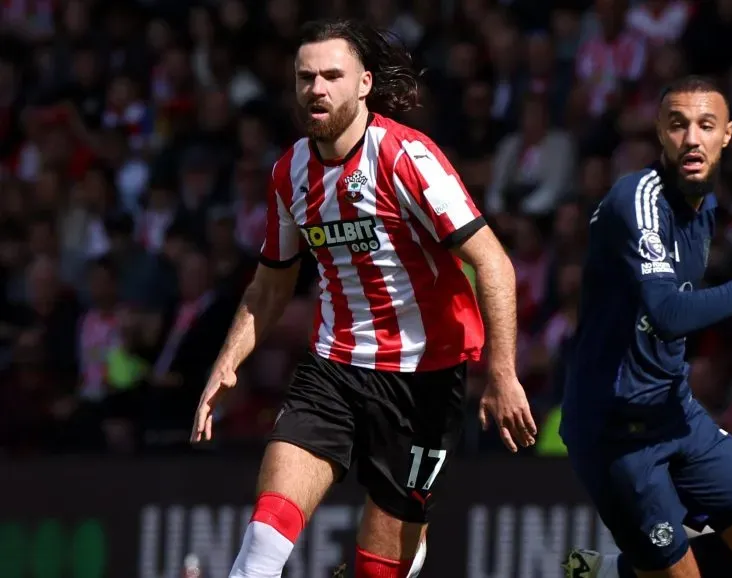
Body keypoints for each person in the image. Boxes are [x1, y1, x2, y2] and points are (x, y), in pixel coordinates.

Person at [189, 19, 537, 578]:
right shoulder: (289, 171)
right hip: (333, 370)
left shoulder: (408, 158)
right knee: (259, 548)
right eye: (306, 77)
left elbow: (493, 262)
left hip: (424, 382)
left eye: (332, 75)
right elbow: (271, 283)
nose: (317, 89)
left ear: (365, 84)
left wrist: (502, 372)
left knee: (377, 570)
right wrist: (228, 363)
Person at [560, 76, 732, 578]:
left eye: (705, 125)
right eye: (677, 125)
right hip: (616, 433)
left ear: (728, 136)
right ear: (659, 133)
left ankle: (616, 572)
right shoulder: (637, 198)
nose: (691, 137)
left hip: (676, 413)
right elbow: (669, 314)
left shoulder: (705, 209)